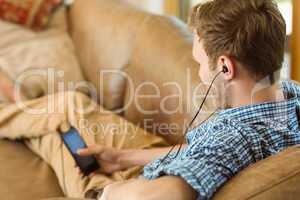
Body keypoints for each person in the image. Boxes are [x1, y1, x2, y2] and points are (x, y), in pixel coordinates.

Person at [76, 0, 300, 199]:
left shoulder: (235, 136)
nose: (201, 73)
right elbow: (208, 151)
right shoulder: (292, 95)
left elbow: (169, 193)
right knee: (71, 108)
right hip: (143, 164)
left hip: (123, 187)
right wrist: (121, 158)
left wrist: (108, 192)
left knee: (67, 109)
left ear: (225, 67)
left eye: (200, 62)